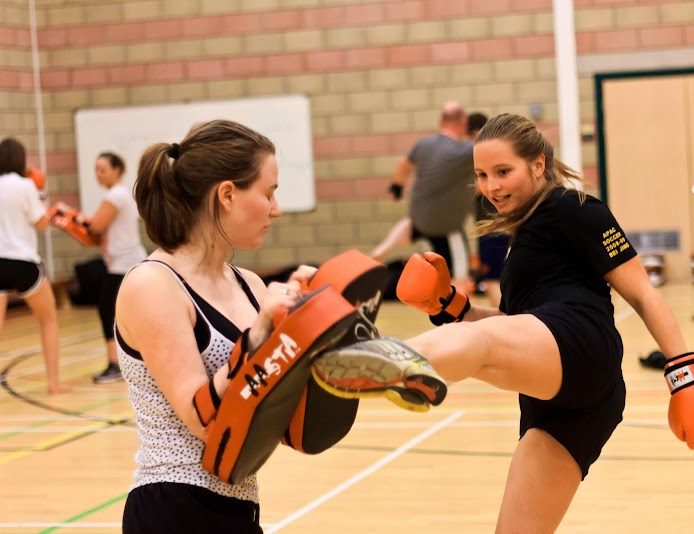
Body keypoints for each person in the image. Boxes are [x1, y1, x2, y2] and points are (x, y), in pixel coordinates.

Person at [314, 113, 694, 533]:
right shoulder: (522, 233)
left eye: (502, 171)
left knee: (478, 343)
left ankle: (380, 358)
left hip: (582, 344)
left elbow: (642, 292)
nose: (491, 187)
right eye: (481, 175)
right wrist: (449, 304)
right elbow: (513, 326)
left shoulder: (575, 208)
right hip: (562, 397)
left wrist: (685, 372)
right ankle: (385, 364)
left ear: (537, 164)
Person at [115, 120, 445, 533]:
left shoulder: (251, 286)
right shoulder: (152, 284)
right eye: (268, 193)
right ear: (227, 195)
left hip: (238, 505)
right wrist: (259, 338)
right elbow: (203, 420)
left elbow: (279, 419)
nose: (276, 209)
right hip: (172, 506)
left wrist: (327, 337)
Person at [57, 153, 147, 384]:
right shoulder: (117, 194)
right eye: (96, 169)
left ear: (116, 170)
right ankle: (132, 362)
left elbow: (95, 226)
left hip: (125, 264)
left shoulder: (116, 195)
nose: (98, 174)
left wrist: (68, 215)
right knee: (120, 312)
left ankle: (116, 364)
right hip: (122, 263)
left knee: (107, 310)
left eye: (103, 169)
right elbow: (94, 235)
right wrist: (73, 219)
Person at [370, 101, 474, 289]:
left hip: (418, 220)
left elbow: (403, 164)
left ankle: (382, 250)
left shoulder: (424, 144)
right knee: (459, 275)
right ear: (463, 121)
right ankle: (458, 303)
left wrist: (396, 187)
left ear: (441, 122)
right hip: (446, 228)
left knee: (410, 224)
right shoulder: (465, 151)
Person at [0, 138, 71, 394]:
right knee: (49, 320)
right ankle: (53, 383)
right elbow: (41, 224)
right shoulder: (26, 185)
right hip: (23, 261)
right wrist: (41, 195)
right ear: (21, 159)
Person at [468, 112, 509, 308]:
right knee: (494, 278)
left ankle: (506, 317)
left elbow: (477, 189)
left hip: (494, 228)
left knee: (493, 279)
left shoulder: (488, 157)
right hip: (492, 228)